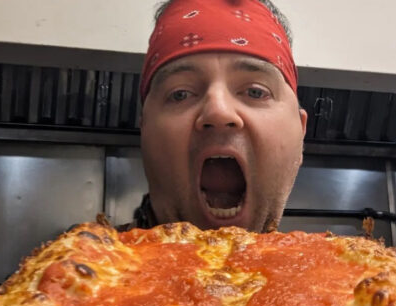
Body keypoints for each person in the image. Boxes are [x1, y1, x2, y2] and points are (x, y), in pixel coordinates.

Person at [119, 0, 307, 233]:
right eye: (180, 94)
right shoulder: (78, 262)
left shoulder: (353, 267)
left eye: (256, 92)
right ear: (144, 130)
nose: (219, 111)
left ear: (301, 132)